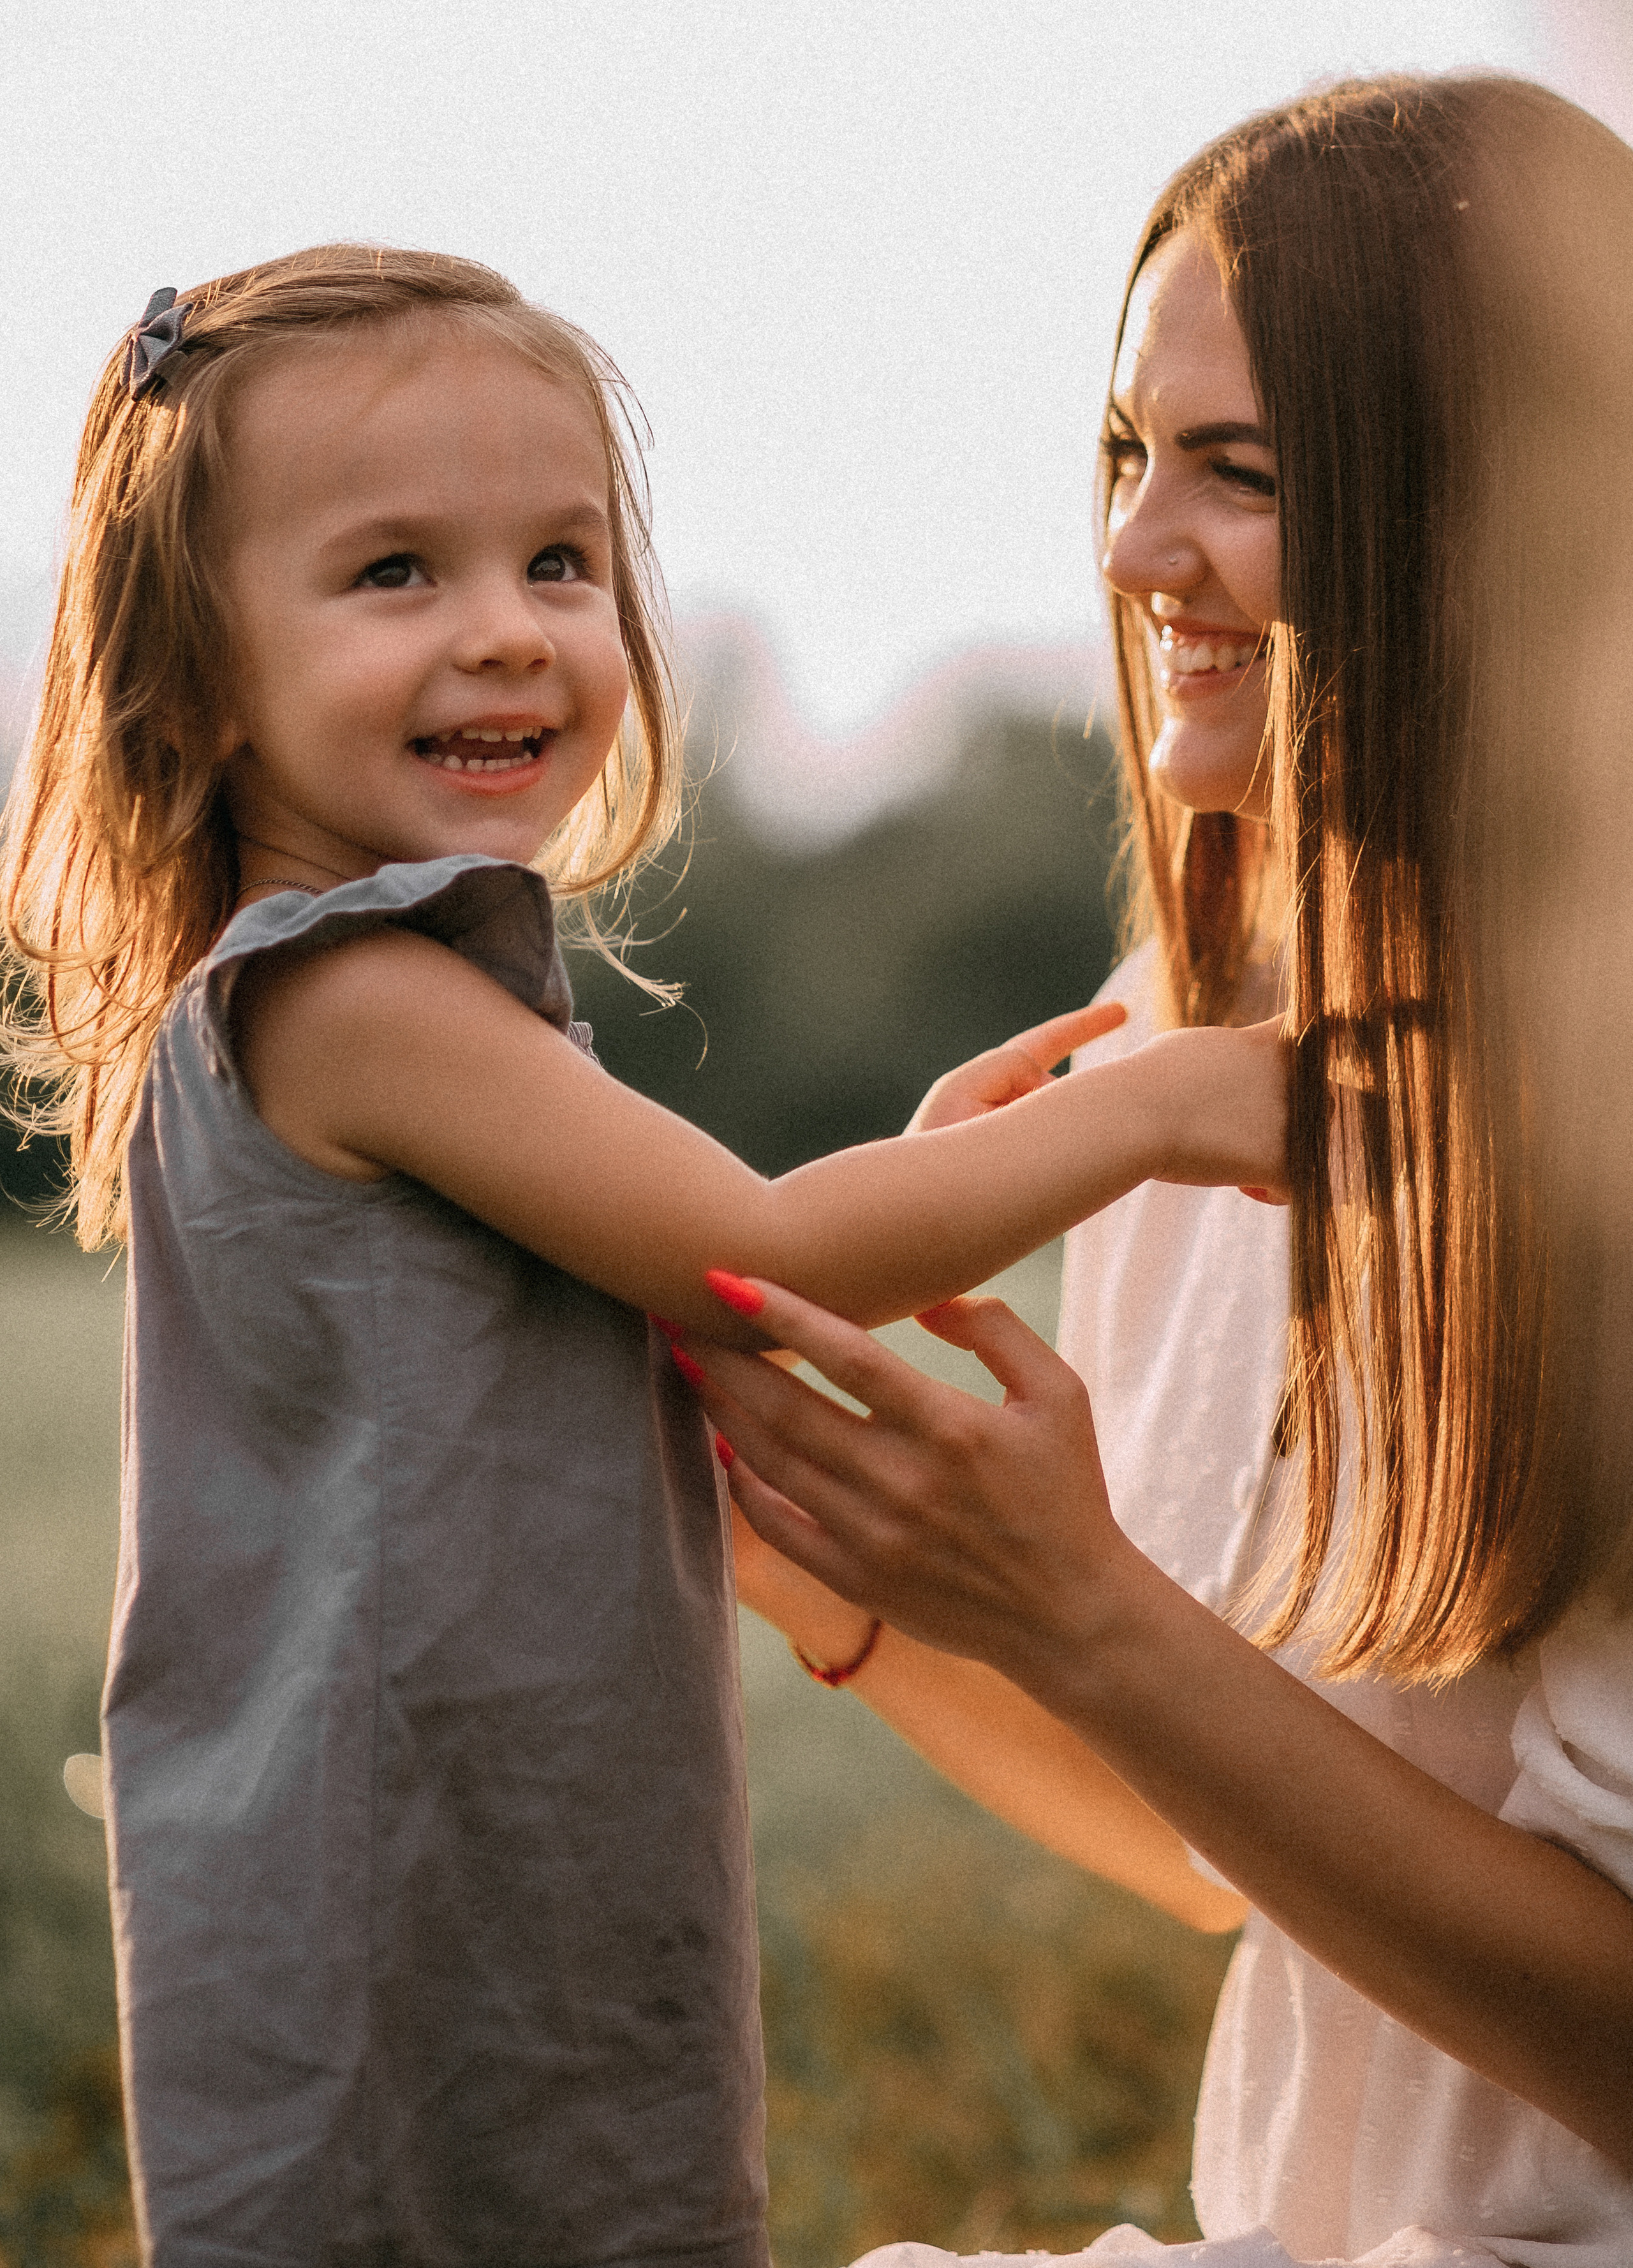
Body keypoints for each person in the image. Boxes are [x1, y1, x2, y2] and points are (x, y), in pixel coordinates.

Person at [0, 246, 1285, 2267]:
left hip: (503, 1835)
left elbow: (674, 1249)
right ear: (190, 676)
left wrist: (936, 1165)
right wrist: (1168, 1104)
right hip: (397, 1888)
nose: (508, 634)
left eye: (561, 563)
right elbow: (763, 1262)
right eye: (395, 574)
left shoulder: (421, 1000)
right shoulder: (348, 1000)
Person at [695, 77, 1633, 2265]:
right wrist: (833, 1541)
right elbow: (1251, 1859)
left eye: (1246, 474)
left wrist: (1087, 1614)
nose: (1130, 554)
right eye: (1129, 456)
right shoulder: (1162, 1062)